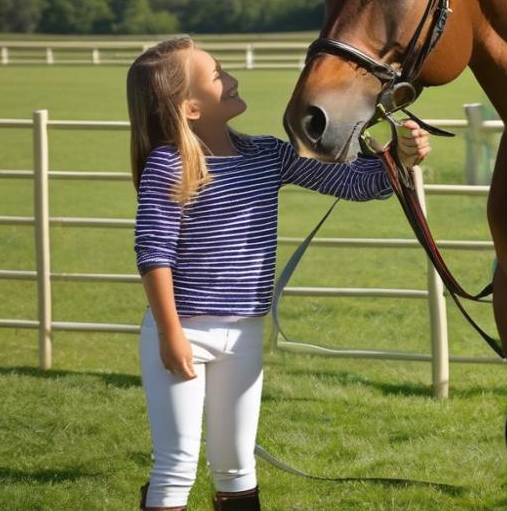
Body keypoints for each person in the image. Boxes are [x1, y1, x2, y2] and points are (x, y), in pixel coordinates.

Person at [126, 36, 430, 510]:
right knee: (177, 462)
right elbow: (153, 254)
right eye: (217, 75)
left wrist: (400, 157)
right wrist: (169, 333)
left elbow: (356, 184)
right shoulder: (169, 165)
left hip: (244, 334)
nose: (231, 79)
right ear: (188, 107)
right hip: (182, 331)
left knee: (236, 464)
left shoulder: (269, 155)